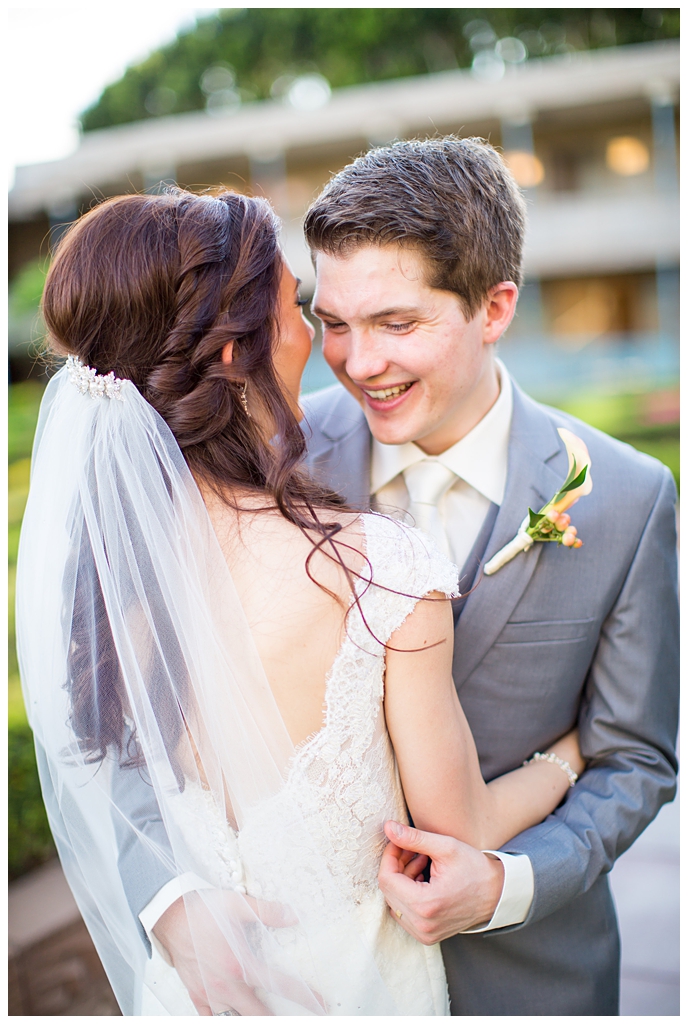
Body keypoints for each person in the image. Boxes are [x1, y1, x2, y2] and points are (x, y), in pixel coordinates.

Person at [16, 187, 587, 1017]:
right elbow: (458, 826)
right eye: (292, 307)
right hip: (354, 989)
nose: (315, 338)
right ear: (225, 355)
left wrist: (174, 898)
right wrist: (572, 756)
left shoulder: (110, 578)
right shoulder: (376, 568)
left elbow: (101, 765)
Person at [300, 136, 679, 1015]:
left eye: (398, 323)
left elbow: (635, 761)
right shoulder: (275, 463)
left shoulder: (626, 497)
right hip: (317, 981)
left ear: (495, 307)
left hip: (532, 981)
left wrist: (504, 884)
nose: (359, 363)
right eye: (335, 322)